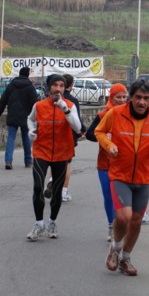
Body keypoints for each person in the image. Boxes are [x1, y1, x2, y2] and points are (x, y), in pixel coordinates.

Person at [95, 79, 149, 276]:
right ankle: (115, 248)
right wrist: (108, 146)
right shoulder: (116, 113)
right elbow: (99, 131)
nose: (142, 102)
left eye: (146, 98)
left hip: (145, 176)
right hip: (120, 174)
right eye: (138, 97)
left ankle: (126, 258)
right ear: (131, 97)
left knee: (136, 221)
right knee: (123, 216)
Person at [26, 73, 81, 241]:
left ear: (65, 88)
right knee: (37, 186)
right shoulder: (39, 106)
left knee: (56, 192)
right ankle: (38, 223)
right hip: (41, 150)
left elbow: (77, 127)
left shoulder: (70, 105)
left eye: (62, 86)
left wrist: (65, 109)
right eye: (55, 85)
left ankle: (52, 221)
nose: (58, 89)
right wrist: (31, 131)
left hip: (61, 153)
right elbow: (30, 119)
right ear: (49, 87)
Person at [86, 83, 128, 242]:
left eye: (124, 97)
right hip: (105, 163)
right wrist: (104, 138)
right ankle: (112, 226)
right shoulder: (103, 114)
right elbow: (90, 134)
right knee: (109, 197)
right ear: (111, 97)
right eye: (119, 97)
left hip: (124, 163)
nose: (122, 100)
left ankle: (121, 225)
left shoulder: (131, 114)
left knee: (122, 197)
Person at [0, 67, 38, 169]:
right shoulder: (30, 87)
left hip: (12, 115)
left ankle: (8, 161)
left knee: (11, 138)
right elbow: (35, 104)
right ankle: (28, 161)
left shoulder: (11, 85)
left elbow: (2, 101)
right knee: (26, 138)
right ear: (27, 75)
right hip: (26, 117)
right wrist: (36, 118)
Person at [60, 73, 86, 202]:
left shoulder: (53, 98)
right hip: (69, 135)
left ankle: (52, 181)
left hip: (55, 134)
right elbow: (77, 121)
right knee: (67, 164)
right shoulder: (72, 101)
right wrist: (82, 131)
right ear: (71, 85)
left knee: (54, 162)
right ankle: (63, 191)